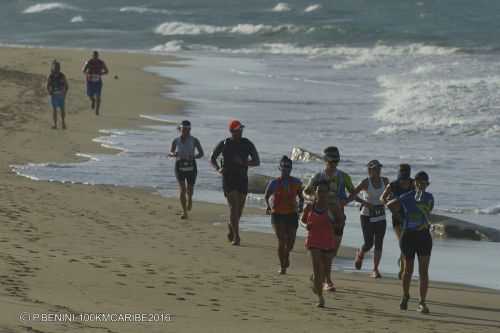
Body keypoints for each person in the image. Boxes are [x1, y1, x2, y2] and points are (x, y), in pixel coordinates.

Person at [303, 146, 354, 291]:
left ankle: (318, 274)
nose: (333, 164)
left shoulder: (344, 177)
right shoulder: (318, 177)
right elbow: (305, 192)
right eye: (331, 161)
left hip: (338, 218)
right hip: (321, 218)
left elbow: (354, 192)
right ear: (325, 160)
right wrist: (312, 199)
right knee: (323, 249)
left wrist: (346, 201)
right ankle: (327, 280)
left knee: (333, 252)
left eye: (336, 161)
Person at [386, 171, 434, 314]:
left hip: (424, 236)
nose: (420, 185)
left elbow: (428, 211)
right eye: (418, 182)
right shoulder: (407, 196)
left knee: (423, 271)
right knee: (408, 271)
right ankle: (405, 295)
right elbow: (390, 205)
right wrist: (401, 218)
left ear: (427, 184)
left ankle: (422, 302)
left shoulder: (430, 197)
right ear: (414, 183)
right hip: (408, 236)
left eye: (423, 183)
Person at [210, 120, 260, 246]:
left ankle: (231, 225)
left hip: (242, 178)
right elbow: (212, 158)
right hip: (228, 178)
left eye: (241, 129)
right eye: (238, 129)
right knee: (234, 207)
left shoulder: (247, 143)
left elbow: (257, 161)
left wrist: (243, 162)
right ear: (232, 131)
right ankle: (237, 237)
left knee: (239, 211)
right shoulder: (225, 143)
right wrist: (218, 169)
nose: (240, 131)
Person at [347, 160, 389, 278]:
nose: (378, 171)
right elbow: (352, 195)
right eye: (375, 169)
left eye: (379, 168)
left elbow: (390, 195)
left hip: (380, 215)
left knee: (379, 242)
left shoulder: (385, 181)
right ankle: (360, 253)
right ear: (370, 170)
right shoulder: (366, 182)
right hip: (366, 216)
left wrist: (387, 202)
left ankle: (375, 269)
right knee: (369, 243)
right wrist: (365, 203)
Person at [264, 156, 304, 274]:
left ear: (291, 168)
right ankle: (282, 266)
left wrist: (301, 207)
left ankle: (286, 255)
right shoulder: (274, 183)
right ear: (279, 168)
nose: (286, 169)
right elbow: (266, 196)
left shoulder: (296, 182)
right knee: (282, 240)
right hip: (277, 214)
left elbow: (302, 197)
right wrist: (268, 206)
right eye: (283, 167)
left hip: (292, 214)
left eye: (288, 167)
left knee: (290, 243)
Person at [302, 180, 337, 308]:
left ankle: (316, 281)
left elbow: (341, 221)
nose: (321, 194)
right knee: (317, 268)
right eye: (319, 191)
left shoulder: (332, 206)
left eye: (324, 191)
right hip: (313, 240)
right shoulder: (310, 206)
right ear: (315, 192)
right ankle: (320, 298)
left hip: (328, 240)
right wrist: (306, 225)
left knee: (325, 270)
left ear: (328, 193)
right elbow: (302, 221)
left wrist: (335, 223)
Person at [380, 163, 414, 279]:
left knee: (408, 243)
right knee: (403, 242)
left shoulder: (414, 184)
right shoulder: (393, 185)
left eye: (405, 178)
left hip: (410, 217)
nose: (403, 181)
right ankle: (403, 267)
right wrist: (389, 206)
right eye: (402, 178)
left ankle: (403, 261)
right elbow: (382, 198)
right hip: (397, 216)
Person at [169, 120, 204, 219]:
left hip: (191, 166)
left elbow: (201, 153)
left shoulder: (194, 140)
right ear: (180, 129)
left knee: (190, 189)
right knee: (182, 189)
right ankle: (185, 212)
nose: (185, 131)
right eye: (183, 129)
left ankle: (190, 199)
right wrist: (174, 154)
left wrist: (193, 156)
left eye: (187, 129)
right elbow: (171, 152)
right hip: (179, 165)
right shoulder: (176, 140)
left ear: (190, 129)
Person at [82, 50, 109, 115]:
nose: (95, 58)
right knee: (89, 94)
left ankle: (97, 111)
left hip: (98, 82)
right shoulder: (88, 62)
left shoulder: (101, 62)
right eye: (94, 56)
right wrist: (88, 74)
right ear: (92, 56)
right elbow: (83, 70)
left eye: (96, 56)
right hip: (90, 81)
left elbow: (107, 71)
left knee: (98, 97)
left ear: (98, 56)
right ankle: (93, 100)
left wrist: (100, 73)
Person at [46, 60, 69, 129]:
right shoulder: (51, 76)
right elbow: (47, 85)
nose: (56, 69)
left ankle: (63, 123)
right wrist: (49, 92)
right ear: (52, 68)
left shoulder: (62, 76)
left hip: (61, 96)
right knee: (54, 110)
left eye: (57, 67)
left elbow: (67, 86)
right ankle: (55, 124)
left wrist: (65, 94)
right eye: (55, 67)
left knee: (62, 110)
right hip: (54, 96)